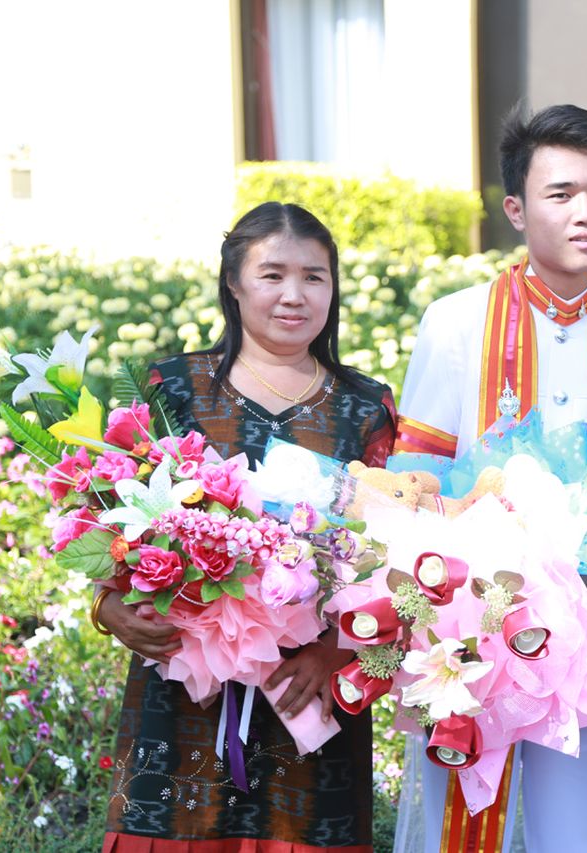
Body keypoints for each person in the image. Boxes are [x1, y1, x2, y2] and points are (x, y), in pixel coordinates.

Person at [393, 104, 587, 852]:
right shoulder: (456, 324)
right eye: (562, 194)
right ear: (517, 210)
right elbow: (416, 476)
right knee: (460, 816)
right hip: (471, 626)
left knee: (572, 828)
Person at [95, 202, 396, 852]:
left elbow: (395, 560)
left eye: (314, 277)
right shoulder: (174, 389)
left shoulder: (366, 408)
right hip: (184, 691)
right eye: (272, 275)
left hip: (305, 696)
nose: (295, 295)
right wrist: (106, 605)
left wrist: (338, 650)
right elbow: (111, 518)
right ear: (233, 282)